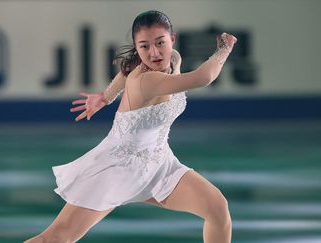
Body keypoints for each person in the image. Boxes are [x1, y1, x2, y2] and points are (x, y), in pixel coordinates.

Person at [24, 10, 237, 243]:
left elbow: (124, 72)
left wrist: (105, 96)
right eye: (144, 47)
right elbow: (204, 77)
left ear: (172, 39)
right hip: (119, 166)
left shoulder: (173, 59)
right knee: (55, 238)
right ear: (136, 47)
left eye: (160, 43)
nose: (154, 52)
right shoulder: (148, 80)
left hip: (159, 165)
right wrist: (224, 49)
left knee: (217, 208)